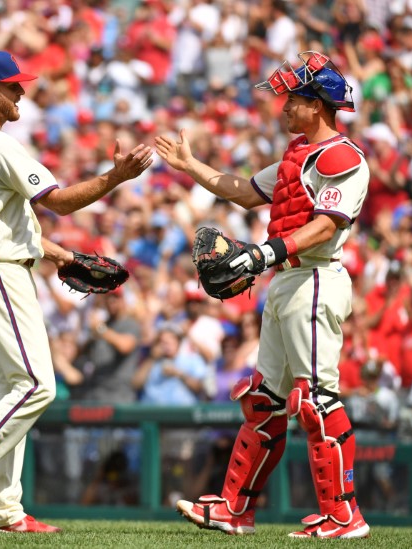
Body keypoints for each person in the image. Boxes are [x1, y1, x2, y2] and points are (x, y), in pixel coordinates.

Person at [0, 51, 152, 534]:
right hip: (1, 274)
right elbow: (61, 203)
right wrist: (116, 178)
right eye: (12, 86)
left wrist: (61, 257)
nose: (22, 92)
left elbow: (3, 222)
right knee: (37, 387)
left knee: (12, 394)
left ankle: (2, 509)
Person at [156, 50, 370, 538]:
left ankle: (344, 515)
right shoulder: (298, 155)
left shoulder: (343, 156)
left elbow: (325, 226)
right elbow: (244, 190)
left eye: (292, 99)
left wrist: (264, 253)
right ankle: (235, 510)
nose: (284, 108)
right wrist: (191, 166)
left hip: (316, 278)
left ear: (317, 104)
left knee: (315, 400)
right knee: (264, 401)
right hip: (287, 280)